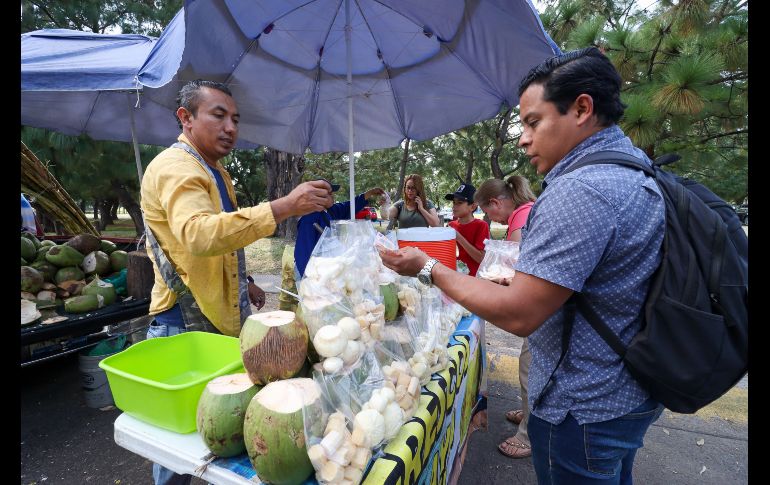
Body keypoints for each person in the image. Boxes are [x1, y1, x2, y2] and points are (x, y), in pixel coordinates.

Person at [378, 47, 666, 484]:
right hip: (628, 392)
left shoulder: (583, 191)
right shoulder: (633, 167)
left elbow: (519, 314)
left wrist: (426, 267)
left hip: (583, 406)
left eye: (533, 122)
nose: (522, 138)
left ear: (582, 109)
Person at [140, 79, 333, 485]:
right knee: (181, 441)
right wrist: (283, 207)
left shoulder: (214, 171)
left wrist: (244, 281)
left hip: (216, 317)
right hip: (182, 322)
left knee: (215, 428)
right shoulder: (176, 167)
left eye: (235, 119)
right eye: (218, 115)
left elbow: (215, 238)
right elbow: (197, 233)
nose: (230, 127)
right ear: (186, 118)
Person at [475, 175, 537, 458]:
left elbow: (514, 274)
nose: (491, 219)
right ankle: (528, 413)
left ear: (496, 202)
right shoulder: (525, 213)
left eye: (488, 213)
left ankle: (529, 432)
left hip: (544, 312)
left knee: (529, 367)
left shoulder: (520, 221)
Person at [294, 185, 386, 280]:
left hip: (325, 268)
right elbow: (303, 253)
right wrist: (309, 279)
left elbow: (348, 206)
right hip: (311, 273)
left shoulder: (330, 211)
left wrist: (369, 193)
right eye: (329, 194)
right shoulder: (309, 218)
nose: (333, 196)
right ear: (318, 198)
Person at [444, 183, 489, 277]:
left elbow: (481, 258)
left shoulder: (481, 226)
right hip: (456, 274)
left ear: (472, 207)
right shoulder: (451, 225)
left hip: (475, 277)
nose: (454, 206)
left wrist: (459, 237)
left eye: (459, 203)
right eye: (454, 202)